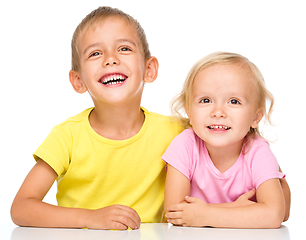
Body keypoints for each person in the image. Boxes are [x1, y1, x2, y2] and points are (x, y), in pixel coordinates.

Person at [10, 6, 182, 230]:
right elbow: (21, 208)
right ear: (78, 80)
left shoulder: (176, 132)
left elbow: (233, 141)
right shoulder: (67, 136)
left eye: (124, 48)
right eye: (95, 53)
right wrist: (89, 218)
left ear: (149, 69)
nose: (110, 59)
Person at [163, 52, 291, 228]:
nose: (218, 112)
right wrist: (237, 210)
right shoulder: (184, 145)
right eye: (206, 100)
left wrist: (205, 214)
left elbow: (275, 215)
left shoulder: (258, 151)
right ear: (189, 112)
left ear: (256, 117)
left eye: (234, 101)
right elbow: (175, 212)